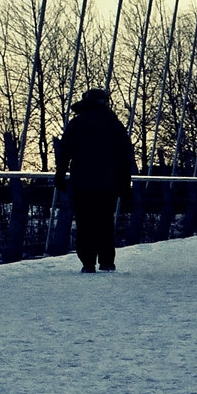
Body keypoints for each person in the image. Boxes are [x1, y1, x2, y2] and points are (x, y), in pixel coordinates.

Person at [54, 88, 135, 272]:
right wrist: (125, 183)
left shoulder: (77, 124)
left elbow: (65, 151)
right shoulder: (114, 124)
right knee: (105, 220)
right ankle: (107, 260)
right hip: (108, 183)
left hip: (82, 182)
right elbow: (124, 156)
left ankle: (88, 262)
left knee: (84, 222)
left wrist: (60, 174)